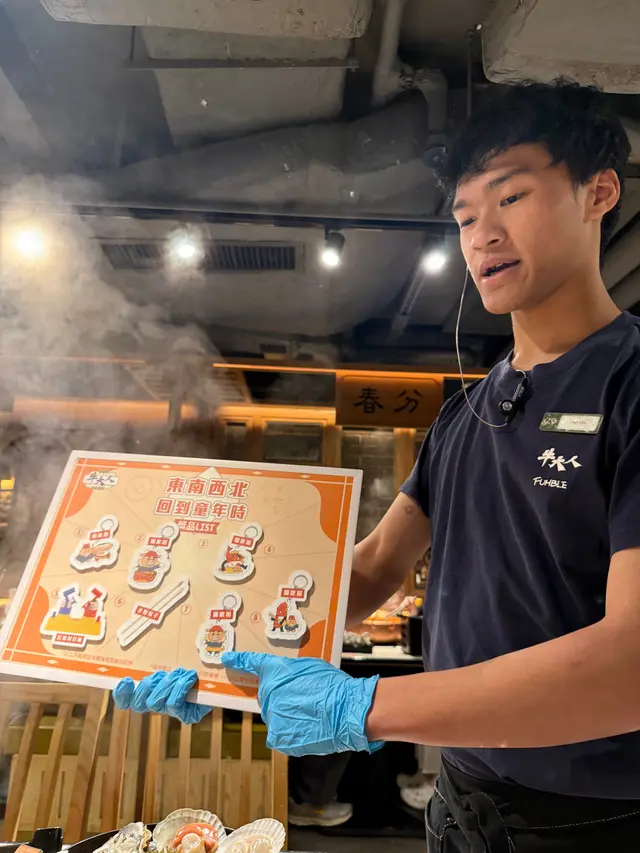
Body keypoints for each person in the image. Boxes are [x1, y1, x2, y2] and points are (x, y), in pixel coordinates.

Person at [113, 80, 640, 850]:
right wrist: (209, 648)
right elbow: (367, 572)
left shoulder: (629, 382)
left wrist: (361, 707)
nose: (483, 235)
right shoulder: (463, 414)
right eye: (465, 217)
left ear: (598, 193)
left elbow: (631, 662)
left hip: (599, 821)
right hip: (464, 805)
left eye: (511, 197)